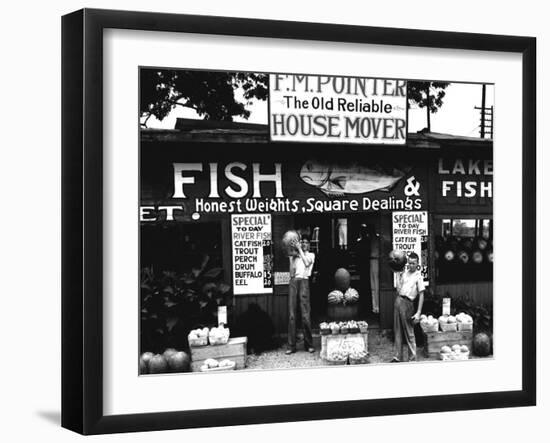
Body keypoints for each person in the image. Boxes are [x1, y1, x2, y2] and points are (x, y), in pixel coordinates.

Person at [391, 252, 425, 362]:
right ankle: (397, 357)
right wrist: (398, 277)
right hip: (398, 301)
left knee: (409, 332)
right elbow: (398, 289)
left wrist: (418, 312)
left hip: (408, 303)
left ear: (417, 264)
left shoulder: (418, 277)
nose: (411, 265)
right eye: (409, 263)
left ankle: (412, 358)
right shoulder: (404, 274)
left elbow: (421, 294)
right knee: (397, 331)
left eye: (414, 263)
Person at [286, 235, 316, 354]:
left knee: (305, 315)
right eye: (301, 242)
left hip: (304, 281)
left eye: (305, 242)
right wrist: (292, 259)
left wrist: (299, 250)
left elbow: (307, 264)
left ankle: (309, 344)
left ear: (309, 244)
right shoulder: (295, 256)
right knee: (292, 315)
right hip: (294, 282)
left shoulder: (310, 255)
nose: (303, 244)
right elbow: (291, 272)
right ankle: (291, 346)